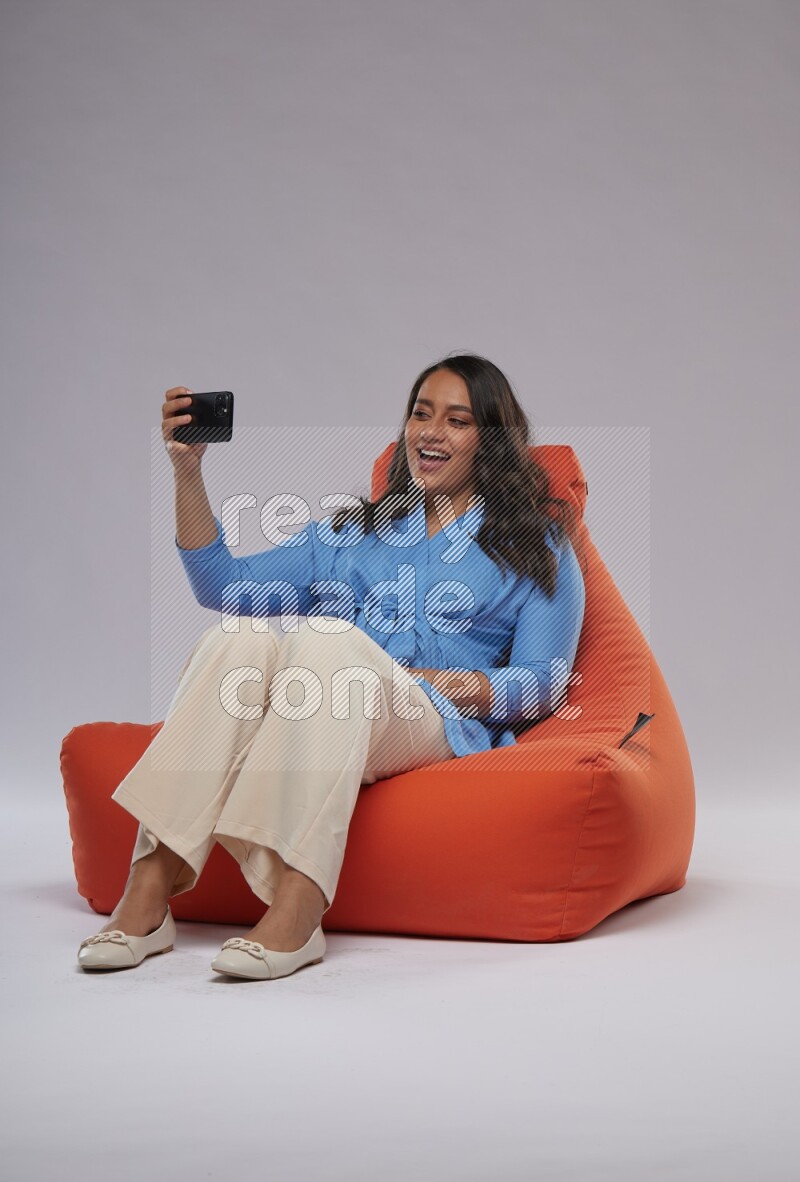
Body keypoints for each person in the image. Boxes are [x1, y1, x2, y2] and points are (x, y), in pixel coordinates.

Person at [77, 353, 586, 981]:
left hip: (433, 719)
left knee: (329, 644)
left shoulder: (538, 545)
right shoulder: (356, 534)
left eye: (457, 421)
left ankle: (300, 903)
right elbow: (221, 584)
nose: (431, 432)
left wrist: (440, 683)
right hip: (327, 699)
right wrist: (187, 471)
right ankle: (149, 889)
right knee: (237, 639)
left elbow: (543, 682)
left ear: (493, 441)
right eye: (420, 414)